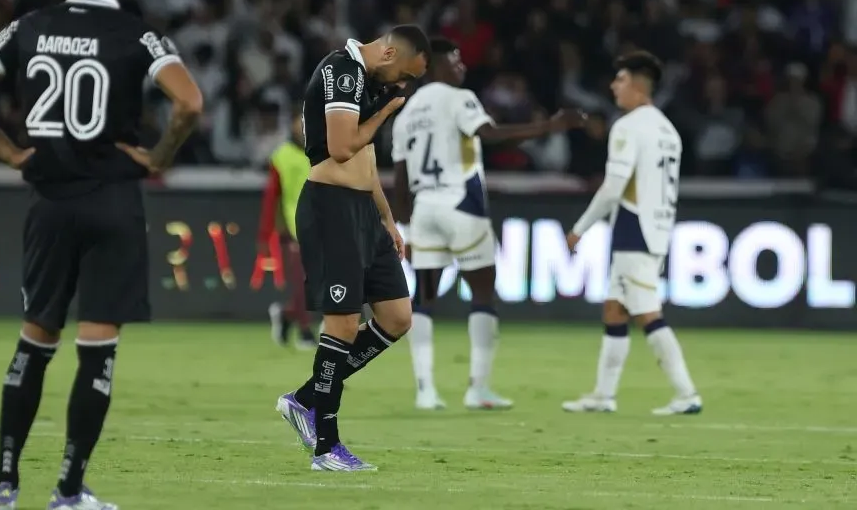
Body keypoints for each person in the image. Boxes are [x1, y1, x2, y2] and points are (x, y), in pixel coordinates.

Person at [0, 0, 203, 508]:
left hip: (50, 202)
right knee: (97, 349)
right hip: (112, 201)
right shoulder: (137, 33)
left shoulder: (31, 25)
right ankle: (67, 489)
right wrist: (158, 158)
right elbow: (189, 103)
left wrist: (9, 151)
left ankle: (4, 486)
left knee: (36, 340)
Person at [392, 37, 585, 411]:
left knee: (425, 297)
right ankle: (477, 388)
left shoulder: (406, 114)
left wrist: (407, 227)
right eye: (455, 60)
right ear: (433, 67)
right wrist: (550, 126)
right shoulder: (459, 98)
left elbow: (399, 180)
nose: (461, 67)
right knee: (482, 294)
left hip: (425, 211)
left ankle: (424, 390)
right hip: (462, 206)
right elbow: (490, 134)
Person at [274, 26, 429, 471]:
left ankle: (305, 399)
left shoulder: (366, 82)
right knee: (341, 324)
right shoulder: (342, 71)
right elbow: (342, 149)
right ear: (390, 52)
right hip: (331, 209)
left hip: (364, 211)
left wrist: (386, 218)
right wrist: (385, 110)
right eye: (404, 74)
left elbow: (366, 160)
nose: (401, 86)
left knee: (397, 317)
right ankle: (326, 446)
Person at [562, 51, 702, 416]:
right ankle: (603, 395)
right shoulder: (667, 130)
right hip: (657, 225)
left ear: (638, 87)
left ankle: (686, 393)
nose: (613, 86)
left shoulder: (628, 126)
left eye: (620, 80)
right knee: (615, 309)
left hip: (633, 227)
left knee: (647, 312)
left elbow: (613, 186)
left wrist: (579, 229)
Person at [258, 112, 317, 350]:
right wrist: (266, 233)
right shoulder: (281, 156)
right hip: (293, 227)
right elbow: (272, 198)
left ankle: (286, 314)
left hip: (319, 224)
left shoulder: (320, 152)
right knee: (304, 282)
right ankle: (305, 332)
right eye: (299, 125)